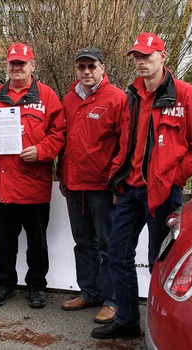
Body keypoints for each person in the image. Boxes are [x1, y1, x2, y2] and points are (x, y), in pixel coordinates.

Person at [92, 32, 192, 339]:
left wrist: (175, 176)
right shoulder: (131, 96)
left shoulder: (186, 95)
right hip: (130, 191)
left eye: (147, 56)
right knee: (118, 255)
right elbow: (126, 142)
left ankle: (161, 326)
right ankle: (127, 321)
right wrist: (117, 178)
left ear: (163, 57)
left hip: (162, 193)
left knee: (159, 263)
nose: (141, 62)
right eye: (137, 57)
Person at [0, 42, 65, 309]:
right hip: (3, 184)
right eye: (13, 63)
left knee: (37, 243)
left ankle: (36, 286)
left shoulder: (47, 97)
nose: (17, 67)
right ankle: (4, 285)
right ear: (6, 67)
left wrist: (42, 150)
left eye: (22, 63)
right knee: (4, 241)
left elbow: (59, 135)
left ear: (33, 66)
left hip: (34, 185)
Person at [58, 47, 127, 324]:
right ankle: (89, 291)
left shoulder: (117, 98)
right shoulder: (69, 99)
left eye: (91, 66)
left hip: (102, 187)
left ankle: (112, 300)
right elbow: (64, 142)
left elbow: (125, 145)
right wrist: (63, 176)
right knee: (82, 243)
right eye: (81, 67)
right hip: (75, 185)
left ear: (102, 67)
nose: (86, 72)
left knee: (107, 246)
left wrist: (115, 184)